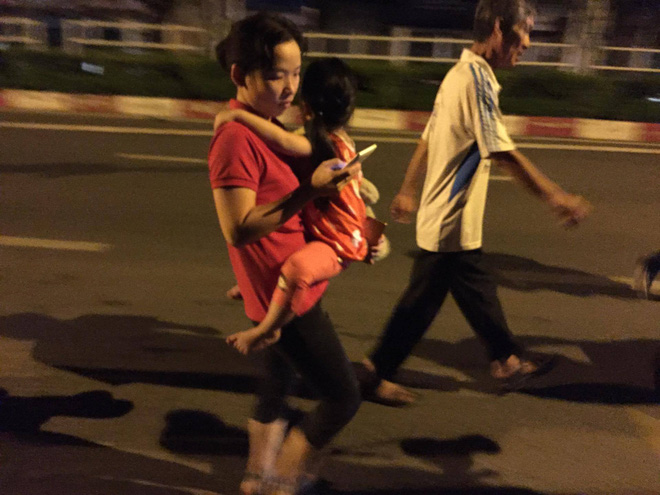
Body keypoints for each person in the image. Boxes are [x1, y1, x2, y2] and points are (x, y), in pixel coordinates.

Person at [359, 0, 592, 406]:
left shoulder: (457, 74)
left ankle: (506, 359)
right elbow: (500, 151)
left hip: (449, 218)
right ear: (500, 30)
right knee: (422, 305)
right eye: (526, 31)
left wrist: (409, 189)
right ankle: (374, 373)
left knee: (474, 289)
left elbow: (429, 137)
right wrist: (556, 196)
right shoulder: (476, 80)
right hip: (449, 219)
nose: (529, 43)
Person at [209, 13, 363, 495]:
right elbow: (238, 229)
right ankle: (287, 479)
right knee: (342, 397)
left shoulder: (264, 124)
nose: (291, 86)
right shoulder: (235, 140)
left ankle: (257, 478)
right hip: (290, 295)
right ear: (241, 75)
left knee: (278, 377)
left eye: (296, 73)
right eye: (277, 74)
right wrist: (307, 194)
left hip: (285, 281)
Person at [216, 57, 388, 355]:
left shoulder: (315, 145)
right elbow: (362, 196)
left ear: (304, 106)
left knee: (296, 269)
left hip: (337, 246)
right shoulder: (341, 143)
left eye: (296, 77)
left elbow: (281, 138)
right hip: (332, 234)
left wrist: (237, 118)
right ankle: (257, 293)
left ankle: (266, 331)